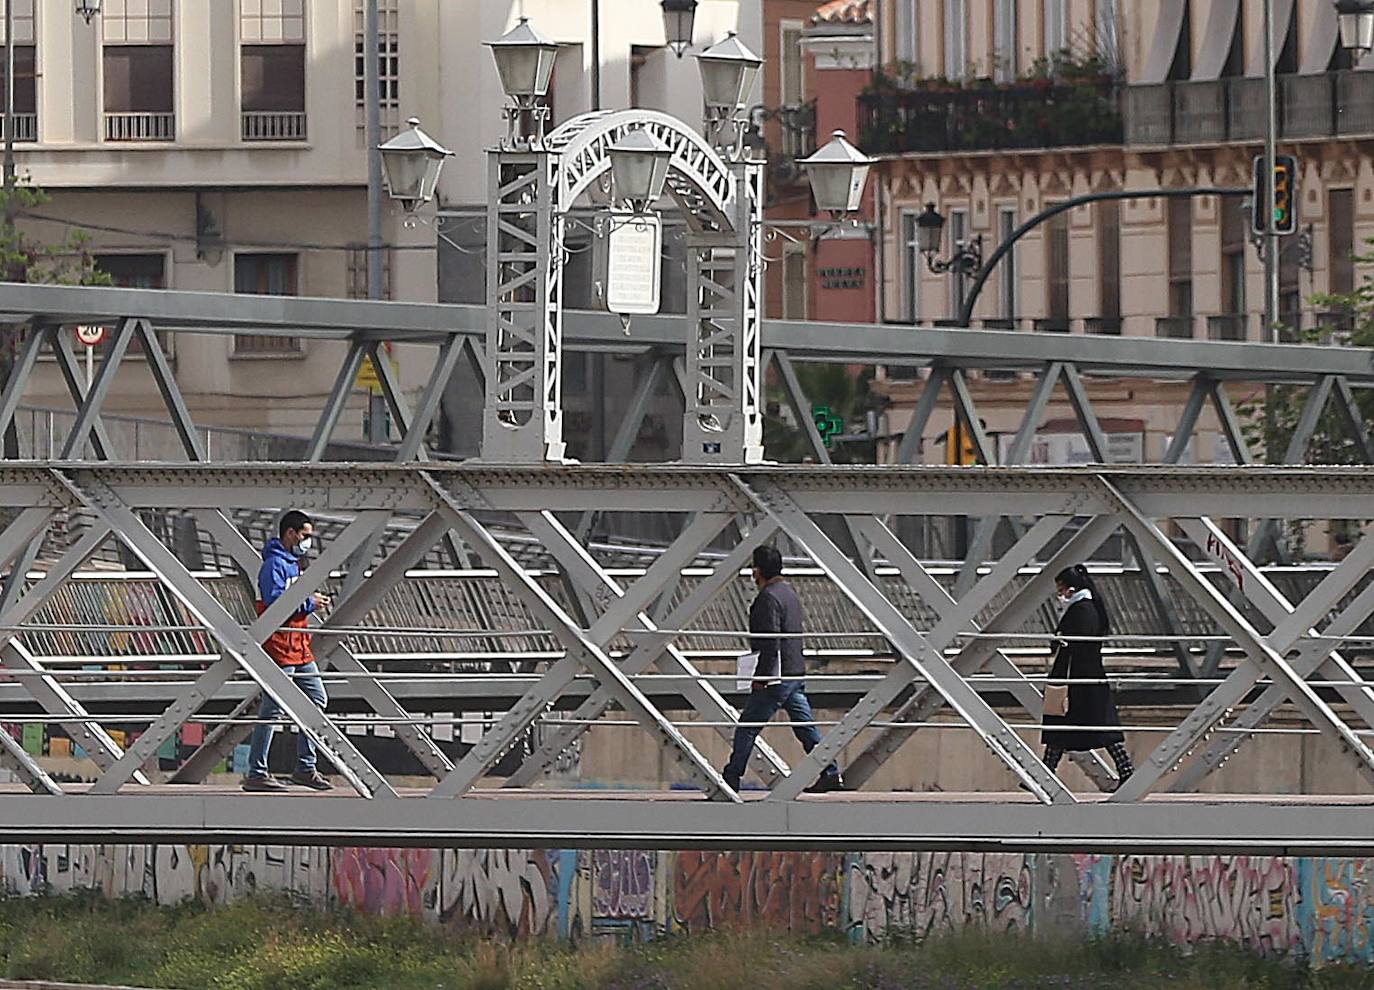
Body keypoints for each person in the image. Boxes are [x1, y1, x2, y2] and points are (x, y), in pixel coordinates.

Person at [722, 545, 845, 794]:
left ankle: (732, 776)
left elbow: (770, 641)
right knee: (805, 726)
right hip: (794, 672)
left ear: (758, 571)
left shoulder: (768, 598)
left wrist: (762, 677)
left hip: (776, 676)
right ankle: (830, 771)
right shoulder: (789, 593)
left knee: (747, 727)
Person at [242, 510, 333, 792]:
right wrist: (310, 603)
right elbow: (275, 603)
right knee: (272, 709)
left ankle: (305, 767)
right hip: (280, 646)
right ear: (290, 533)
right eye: (305, 535)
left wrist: (308, 602)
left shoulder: (292, 564)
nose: (307, 542)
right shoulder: (274, 565)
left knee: (316, 699)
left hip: (298, 646)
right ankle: (257, 772)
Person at [1041, 564, 1133, 788]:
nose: (1061, 595)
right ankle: (1046, 771)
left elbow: (1074, 642)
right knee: (1092, 725)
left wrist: (1060, 641)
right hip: (1087, 676)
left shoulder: (1081, 610)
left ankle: (1046, 772)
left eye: (1062, 590)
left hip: (1076, 678)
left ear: (1071, 588)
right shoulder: (1089, 607)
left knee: (1064, 724)